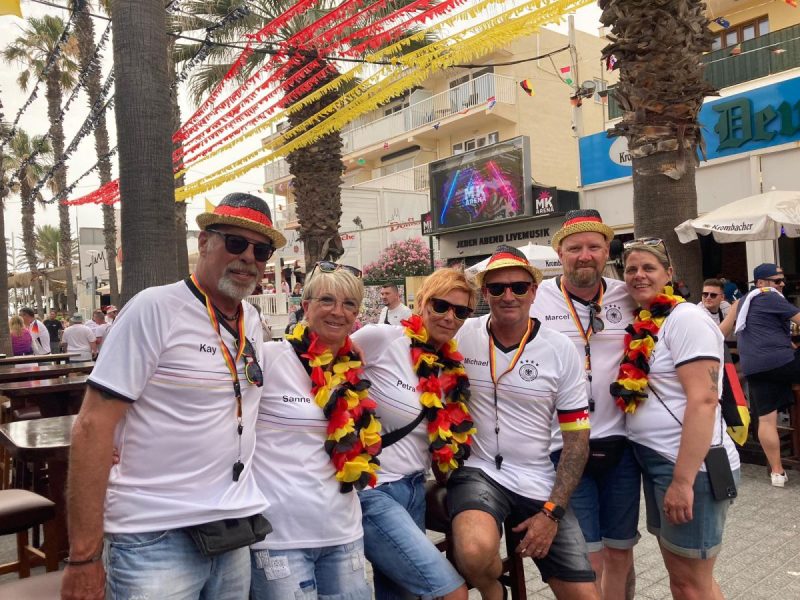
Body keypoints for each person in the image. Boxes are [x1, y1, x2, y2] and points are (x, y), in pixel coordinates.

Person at [61, 193, 285, 600]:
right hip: (153, 535)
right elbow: (92, 425)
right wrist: (84, 557)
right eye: (236, 242)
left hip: (231, 528)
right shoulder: (155, 308)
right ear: (204, 242)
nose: (248, 257)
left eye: (261, 250)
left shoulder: (251, 320)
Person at [449, 244, 597, 600]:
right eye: (497, 288)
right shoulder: (462, 334)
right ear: (485, 293)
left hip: (538, 477)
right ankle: (494, 592)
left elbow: (577, 440)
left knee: (584, 596)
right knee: (473, 551)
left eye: (518, 287)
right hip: (479, 470)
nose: (508, 296)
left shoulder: (560, 349)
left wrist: (552, 512)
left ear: (534, 290)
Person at [612, 238, 740, 600]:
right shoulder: (650, 320)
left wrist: (683, 482)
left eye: (648, 268)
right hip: (659, 461)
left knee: (690, 583)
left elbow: (704, 399)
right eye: (631, 269)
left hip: (689, 467)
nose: (638, 275)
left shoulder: (686, 319)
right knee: (686, 577)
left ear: (669, 274)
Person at [531, 209, 640, 600]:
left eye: (594, 247)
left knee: (620, 551)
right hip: (564, 447)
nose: (585, 256)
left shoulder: (628, 295)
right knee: (586, 557)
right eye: (574, 248)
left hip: (621, 444)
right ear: (560, 253)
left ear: (606, 251)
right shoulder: (536, 298)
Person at [250, 262, 375, 599]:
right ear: (306, 306)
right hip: (279, 538)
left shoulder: (353, 372)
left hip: (344, 533)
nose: (338, 311)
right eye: (327, 300)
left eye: (349, 304)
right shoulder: (270, 358)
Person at [351, 268, 476, 600]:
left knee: (402, 594)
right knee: (451, 591)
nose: (449, 317)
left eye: (460, 311)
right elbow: (323, 365)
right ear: (422, 302)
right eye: (441, 305)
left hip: (414, 489)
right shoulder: (382, 339)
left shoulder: (449, 367)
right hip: (373, 491)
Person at [735, 263, 800, 487]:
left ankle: (777, 473)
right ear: (761, 283)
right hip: (781, 364)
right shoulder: (769, 296)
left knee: (766, 419)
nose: (782, 284)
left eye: (783, 280)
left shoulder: (743, 301)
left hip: (754, 368)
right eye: (777, 280)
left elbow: (723, 330)